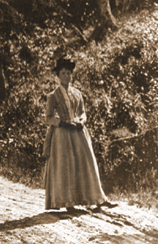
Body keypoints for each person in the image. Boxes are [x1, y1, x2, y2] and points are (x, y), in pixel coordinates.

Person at [42, 57, 116, 212]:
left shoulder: (77, 94)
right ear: (58, 75)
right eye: (63, 73)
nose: (66, 76)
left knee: (87, 164)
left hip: (77, 131)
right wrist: (62, 123)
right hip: (61, 134)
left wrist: (81, 121)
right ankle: (69, 203)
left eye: (69, 73)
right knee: (66, 165)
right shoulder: (53, 96)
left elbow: (82, 112)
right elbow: (48, 117)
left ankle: (97, 199)